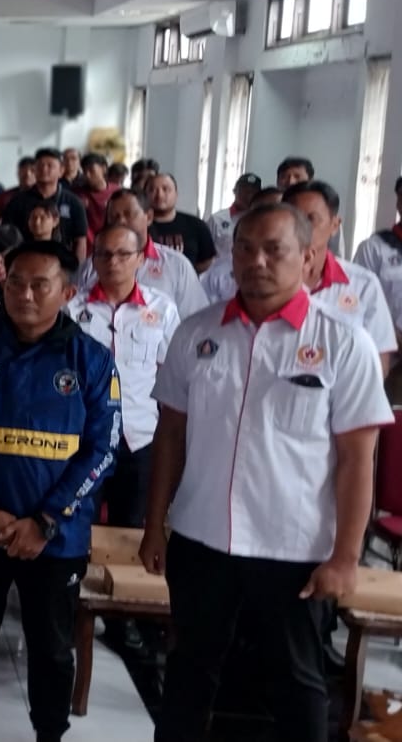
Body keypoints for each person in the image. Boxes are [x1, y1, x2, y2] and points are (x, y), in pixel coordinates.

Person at [141, 204, 392, 742]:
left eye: (273, 250)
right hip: (202, 540)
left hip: (293, 551)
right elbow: (170, 436)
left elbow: (357, 460)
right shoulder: (196, 333)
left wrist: (346, 557)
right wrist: (154, 525)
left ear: (308, 256)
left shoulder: (344, 345)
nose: (256, 261)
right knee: (188, 674)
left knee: (297, 683)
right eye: (245, 248)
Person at [0, 239, 120, 742]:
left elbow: (103, 449)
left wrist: (46, 520)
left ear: (67, 292)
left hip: (55, 537)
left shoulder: (91, 359)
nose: (25, 294)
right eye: (15, 282)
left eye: (40, 285)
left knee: (53, 647)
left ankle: (49, 732)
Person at [66, 225, 182, 653]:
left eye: (122, 254)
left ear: (140, 259)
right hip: (86, 439)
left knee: (132, 529)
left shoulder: (162, 310)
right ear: (93, 259)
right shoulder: (73, 309)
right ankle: (71, 609)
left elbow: (173, 379)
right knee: (76, 525)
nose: (112, 262)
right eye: (103, 255)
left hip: (141, 437)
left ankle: (122, 618)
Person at [281, 181, 396, 370]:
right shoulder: (267, 280)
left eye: (311, 219)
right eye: (294, 218)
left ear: (334, 225)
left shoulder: (363, 284)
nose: (300, 228)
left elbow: (379, 354)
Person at [74, 189, 209, 318]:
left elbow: (195, 317)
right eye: (114, 217)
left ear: (149, 217)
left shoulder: (177, 265)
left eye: (129, 214)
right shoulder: (93, 265)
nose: (121, 221)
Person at [2, 148, 89, 262]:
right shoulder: (17, 201)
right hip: (26, 262)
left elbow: (80, 240)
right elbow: (7, 237)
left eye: (50, 165)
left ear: (61, 170)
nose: (44, 169)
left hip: (62, 263)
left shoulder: (73, 202)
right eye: (40, 165)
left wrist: (78, 268)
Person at [201, 186, 283, 302]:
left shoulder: (301, 268)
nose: (268, 219)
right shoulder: (219, 273)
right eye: (260, 212)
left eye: (278, 211)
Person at [352, 175, 402, 350]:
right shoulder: (374, 247)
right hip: (387, 347)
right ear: (399, 203)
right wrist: (390, 334)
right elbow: (355, 299)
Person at [145, 173, 217, 273]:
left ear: (176, 194)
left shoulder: (196, 225)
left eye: (166, 189)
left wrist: (188, 276)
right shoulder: (138, 226)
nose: (159, 195)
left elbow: (206, 261)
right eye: (152, 190)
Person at [204, 173, 262, 264]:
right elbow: (205, 252)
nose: (248, 196)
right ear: (234, 191)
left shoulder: (260, 220)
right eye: (244, 191)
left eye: (252, 192)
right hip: (220, 271)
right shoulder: (217, 219)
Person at [75, 154, 117, 239]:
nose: (87, 175)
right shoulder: (77, 194)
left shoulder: (116, 192)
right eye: (85, 171)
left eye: (91, 170)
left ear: (103, 168)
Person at [0, 156, 34, 225]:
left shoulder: (43, 196)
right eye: (23, 170)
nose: (28, 174)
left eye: (32, 171)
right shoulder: (5, 197)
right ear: (18, 173)